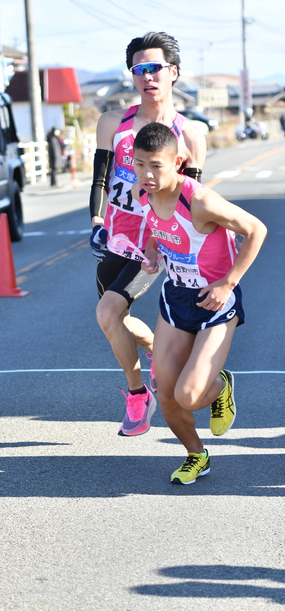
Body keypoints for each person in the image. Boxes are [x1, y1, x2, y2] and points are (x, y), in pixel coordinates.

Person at [130, 122, 267, 484]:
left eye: (156, 165)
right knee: (167, 395)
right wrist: (150, 254)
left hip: (214, 302)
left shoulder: (201, 200)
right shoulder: (142, 191)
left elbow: (256, 229)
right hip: (175, 299)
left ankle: (219, 385)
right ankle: (196, 455)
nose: (146, 173)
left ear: (177, 162)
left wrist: (228, 282)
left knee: (189, 395)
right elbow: (155, 231)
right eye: (139, 163)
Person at [89, 32, 206, 437]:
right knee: (113, 319)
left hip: (154, 243)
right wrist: (96, 223)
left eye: (155, 68)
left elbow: (190, 198)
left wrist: (167, 241)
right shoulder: (112, 122)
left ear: (173, 72)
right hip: (116, 237)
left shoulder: (189, 134)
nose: (148, 76)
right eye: (139, 69)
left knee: (107, 312)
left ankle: (139, 396)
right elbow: (100, 180)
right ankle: (158, 353)